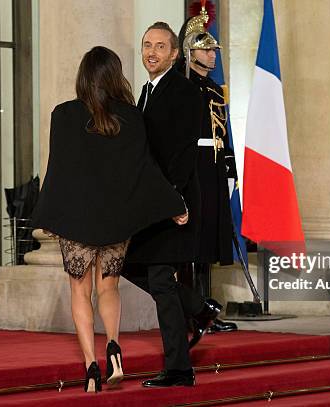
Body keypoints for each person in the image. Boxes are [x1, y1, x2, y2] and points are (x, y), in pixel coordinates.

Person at [30, 46, 187, 392]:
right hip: (115, 219)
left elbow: (58, 170)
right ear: (116, 76)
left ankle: (90, 367)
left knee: (79, 291)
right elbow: (144, 170)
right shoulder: (131, 117)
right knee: (109, 286)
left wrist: (46, 213)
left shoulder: (64, 115)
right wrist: (174, 203)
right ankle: (114, 347)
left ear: (83, 76)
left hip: (76, 220)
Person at [121, 21, 224, 388]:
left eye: (160, 46)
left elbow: (181, 155)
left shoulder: (182, 91)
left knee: (162, 280)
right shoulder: (147, 91)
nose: (151, 52)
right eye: (147, 44)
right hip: (154, 202)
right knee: (130, 265)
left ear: (175, 53)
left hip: (173, 202)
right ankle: (199, 308)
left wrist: (174, 201)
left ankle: (179, 369)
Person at [176, 3, 238, 334]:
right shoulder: (180, 85)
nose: (213, 54)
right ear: (189, 51)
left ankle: (207, 309)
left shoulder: (213, 88)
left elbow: (222, 132)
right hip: (193, 168)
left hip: (213, 167)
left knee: (210, 240)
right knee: (193, 242)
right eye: (206, 48)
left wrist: (229, 168)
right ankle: (193, 310)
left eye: (214, 48)